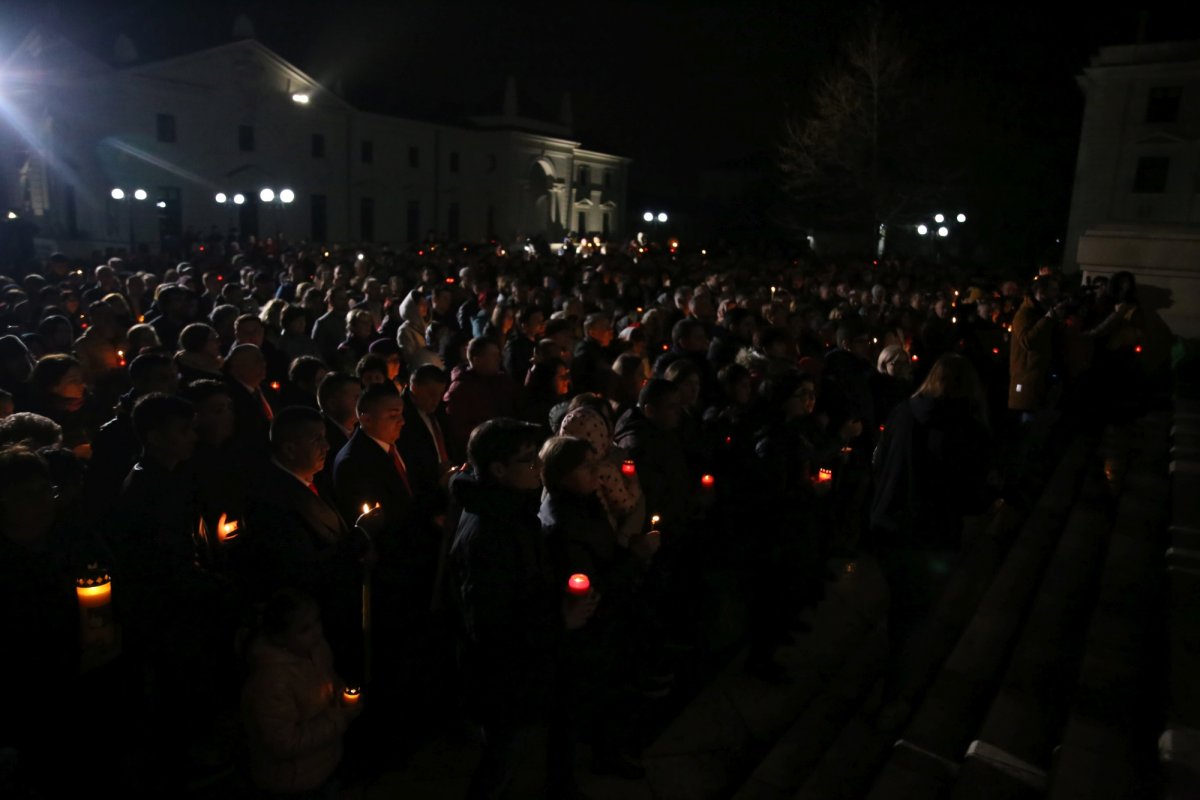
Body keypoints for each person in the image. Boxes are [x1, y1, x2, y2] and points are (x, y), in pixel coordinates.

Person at [449, 418, 597, 798]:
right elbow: (490, 622)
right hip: (504, 674)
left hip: (529, 659)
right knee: (502, 758)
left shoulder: (509, 507)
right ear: (498, 469)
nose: (538, 468)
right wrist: (559, 618)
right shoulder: (489, 531)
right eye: (528, 461)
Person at [870, 354, 995, 725]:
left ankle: (893, 677)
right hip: (931, 535)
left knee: (902, 609)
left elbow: (879, 462)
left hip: (889, 527)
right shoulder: (967, 429)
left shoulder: (903, 413)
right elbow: (973, 495)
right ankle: (893, 698)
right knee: (914, 615)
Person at [243, 405, 366, 683]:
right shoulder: (272, 499)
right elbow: (302, 566)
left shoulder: (311, 479)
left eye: (324, 437)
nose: (327, 445)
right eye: (316, 439)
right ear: (288, 449)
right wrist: (359, 538)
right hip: (315, 618)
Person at [242, 589, 362, 797]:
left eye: (317, 621)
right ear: (281, 638)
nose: (317, 632)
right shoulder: (271, 681)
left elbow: (328, 677)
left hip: (322, 761)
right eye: (305, 629)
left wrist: (343, 694)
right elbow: (284, 743)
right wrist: (340, 717)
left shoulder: (316, 649)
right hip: (294, 780)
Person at [443, 337, 515, 461]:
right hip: (482, 454)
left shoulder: (502, 381)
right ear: (477, 360)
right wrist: (491, 433)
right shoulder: (461, 390)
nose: (499, 359)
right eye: (493, 355)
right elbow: (458, 430)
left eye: (498, 354)